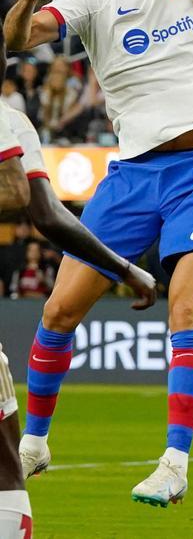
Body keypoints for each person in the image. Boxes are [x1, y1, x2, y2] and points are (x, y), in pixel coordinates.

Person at [5, 0, 193, 502]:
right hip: (133, 174)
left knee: (186, 305)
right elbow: (14, 40)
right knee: (58, 310)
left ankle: (174, 462)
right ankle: (34, 443)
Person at [0, 89, 156, 539]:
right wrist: (124, 268)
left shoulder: (15, 121)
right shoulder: (8, 121)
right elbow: (31, 202)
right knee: (7, 477)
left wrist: (122, 266)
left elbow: (48, 216)